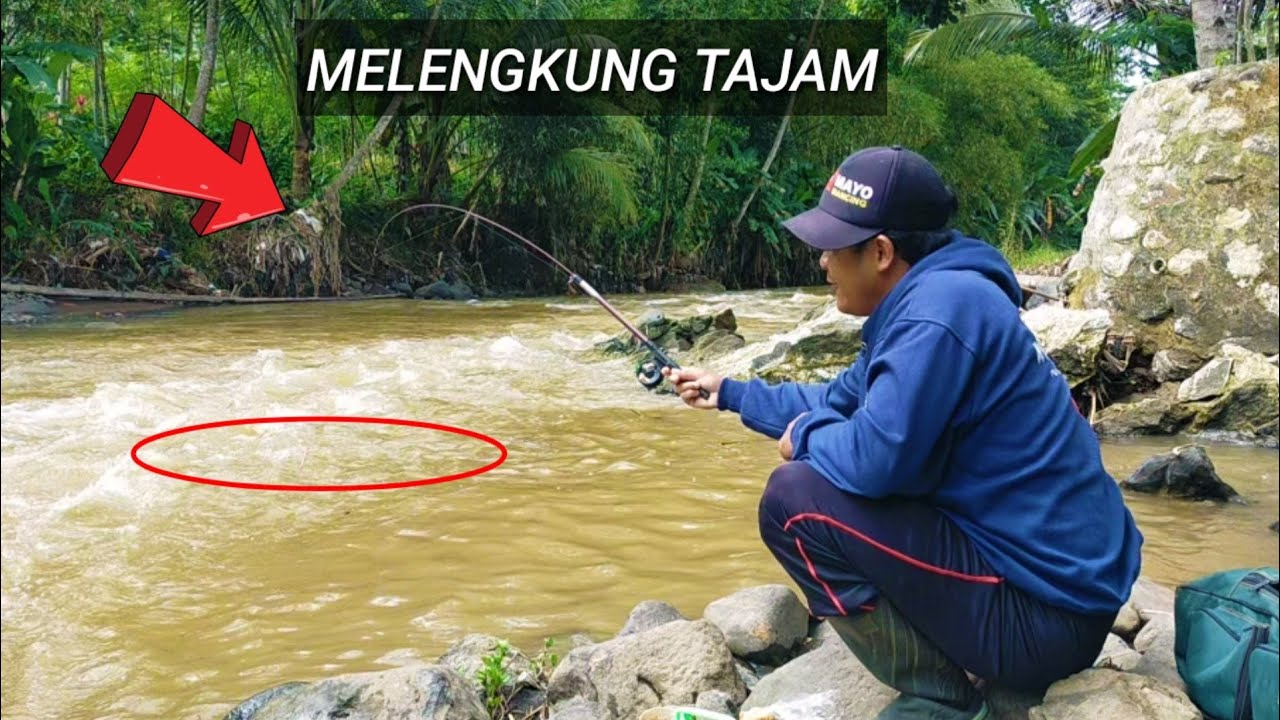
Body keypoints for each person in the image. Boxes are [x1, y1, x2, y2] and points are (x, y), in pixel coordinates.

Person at [663, 146, 1143, 720]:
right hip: (1061, 603)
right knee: (828, 466)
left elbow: (873, 460)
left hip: (1041, 625)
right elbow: (837, 400)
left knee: (792, 500)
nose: (821, 262)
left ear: (882, 252)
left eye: (833, 247)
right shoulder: (941, 298)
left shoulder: (935, 317)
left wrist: (805, 436)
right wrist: (731, 394)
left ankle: (941, 699)